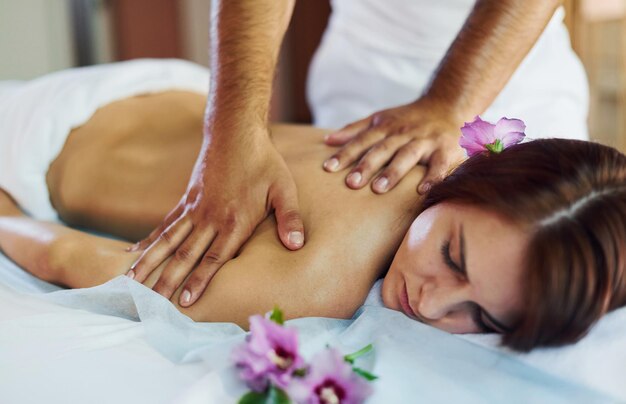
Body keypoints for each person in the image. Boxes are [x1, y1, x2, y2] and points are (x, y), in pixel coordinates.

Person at [0, 61, 622, 352]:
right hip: (44, 146)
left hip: (174, 90)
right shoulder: (314, 280)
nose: (431, 304)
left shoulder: (427, 147)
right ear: (469, 180)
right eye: (452, 256)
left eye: (483, 319)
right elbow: (67, 256)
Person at [129, 0, 590, 309]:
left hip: (512, 81)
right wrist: (231, 132)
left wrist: (451, 102)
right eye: (450, 256)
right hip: (356, 87)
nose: (430, 304)